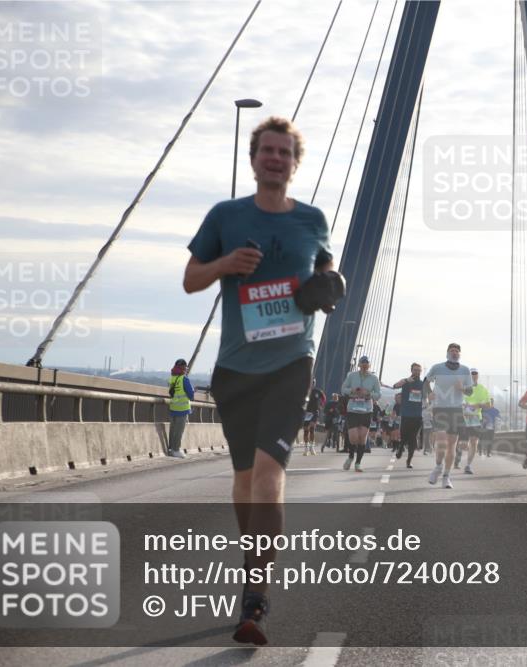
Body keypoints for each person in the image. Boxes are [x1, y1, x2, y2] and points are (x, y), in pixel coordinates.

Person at [183, 116, 333, 645]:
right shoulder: (225, 215)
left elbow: (329, 277)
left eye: (284, 152)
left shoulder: (313, 220)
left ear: (295, 162)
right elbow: (189, 281)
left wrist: (328, 287)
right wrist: (225, 263)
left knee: (270, 475)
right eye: (267, 150)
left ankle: (255, 596)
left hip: (292, 366)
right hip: (236, 370)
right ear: (254, 158)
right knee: (245, 480)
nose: (275, 159)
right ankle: (255, 562)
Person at [424, 343, 473, 489]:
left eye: (457, 351)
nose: (454, 353)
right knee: (441, 442)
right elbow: (426, 382)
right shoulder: (437, 367)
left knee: (452, 445)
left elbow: (470, 392)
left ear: (460, 354)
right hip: (440, 408)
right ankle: (438, 467)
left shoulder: (465, 370)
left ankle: (446, 476)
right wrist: (429, 393)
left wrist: (462, 388)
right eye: (452, 350)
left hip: (456, 410)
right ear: (447, 353)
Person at [341, 356, 381, 472]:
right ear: (359, 365)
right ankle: (350, 456)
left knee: (362, 437)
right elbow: (343, 389)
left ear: (369, 365)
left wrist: (368, 393)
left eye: (366, 364)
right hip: (353, 409)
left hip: (367, 410)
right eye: (362, 364)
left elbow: (378, 394)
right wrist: (352, 391)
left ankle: (358, 463)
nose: (364, 366)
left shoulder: (374, 378)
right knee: (353, 438)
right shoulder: (352, 376)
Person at [459, 369, 492, 474]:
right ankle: (456, 457)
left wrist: (478, 405)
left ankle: (468, 465)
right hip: (461, 418)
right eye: (471, 374)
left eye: (475, 374)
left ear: (478, 376)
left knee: (474, 442)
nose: (473, 375)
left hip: (475, 418)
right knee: (462, 444)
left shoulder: (482, 389)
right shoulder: (461, 387)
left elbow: (489, 405)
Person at [394, 363, 426, 469]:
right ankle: (400, 447)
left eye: (419, 370)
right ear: (411, 370)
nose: (417, 372)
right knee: (404, 435)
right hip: (406, 414)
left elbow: (427, 398)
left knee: (413, 437)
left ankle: (409, 460)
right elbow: (395, 386)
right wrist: (406, 381)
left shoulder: (422, 384)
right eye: (415, 370)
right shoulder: (405, 382)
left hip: (417, 415)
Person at [167, 358, 195, 458]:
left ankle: (170, 449)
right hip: (182, 409)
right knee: (179, 431)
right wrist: (193, 393)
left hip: (173, 408)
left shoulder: (172, 378)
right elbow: (191, 395)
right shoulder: (184, 379)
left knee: (173, 430)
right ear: (184, 367)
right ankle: (176, 450)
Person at [302, 382, 326, 455]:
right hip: (306, 412)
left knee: (312, 429)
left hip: (314, 412)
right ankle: (306, 448)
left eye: (312, 383)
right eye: (310, 383)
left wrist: (322, 404)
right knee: (306, 430)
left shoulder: (317, 391)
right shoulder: (304, 391)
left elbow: (324, 398)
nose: (311, 384)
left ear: (314, 384)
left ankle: (312, 448)